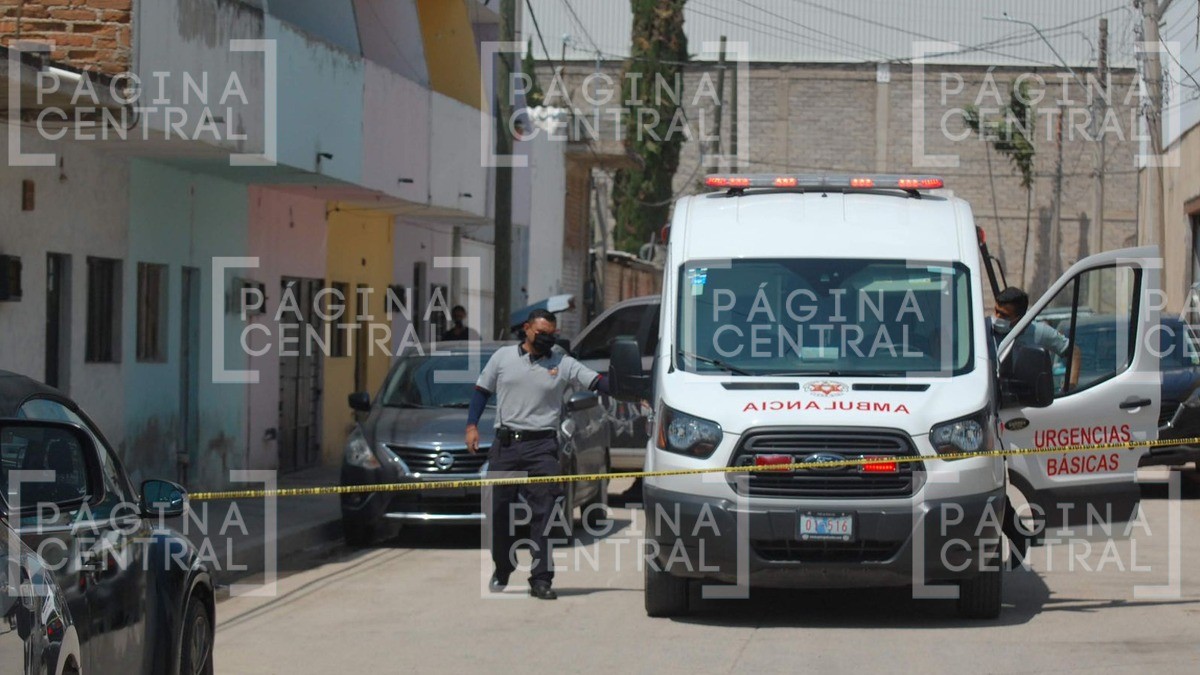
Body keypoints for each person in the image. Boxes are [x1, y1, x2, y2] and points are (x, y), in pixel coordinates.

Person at [465, 309, 610, 599]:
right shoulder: (502, 358)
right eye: (541, 333)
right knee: (500, 512)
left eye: (551, 335)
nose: (546, 339)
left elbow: (596, 382)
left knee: (543, 515)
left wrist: (632, 388)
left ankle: (541, 578)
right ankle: (503, 565)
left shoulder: (562, 362)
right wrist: (472, 425)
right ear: (527, 329)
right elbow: (482, 391)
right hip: (506, 446)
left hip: (542, 447)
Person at [993, 286, 1082, 569]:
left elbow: (1073, 352)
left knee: (1013, 478)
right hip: (991, 415)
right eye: (995, 311)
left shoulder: (1038, 333)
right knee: (992, 480)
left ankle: (1020, 533)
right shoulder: (984, 332)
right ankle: (1016, 533)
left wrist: (1069, 389)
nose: (996, 318)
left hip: (1025, 415)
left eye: (1003, 314)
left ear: (1020, 317)